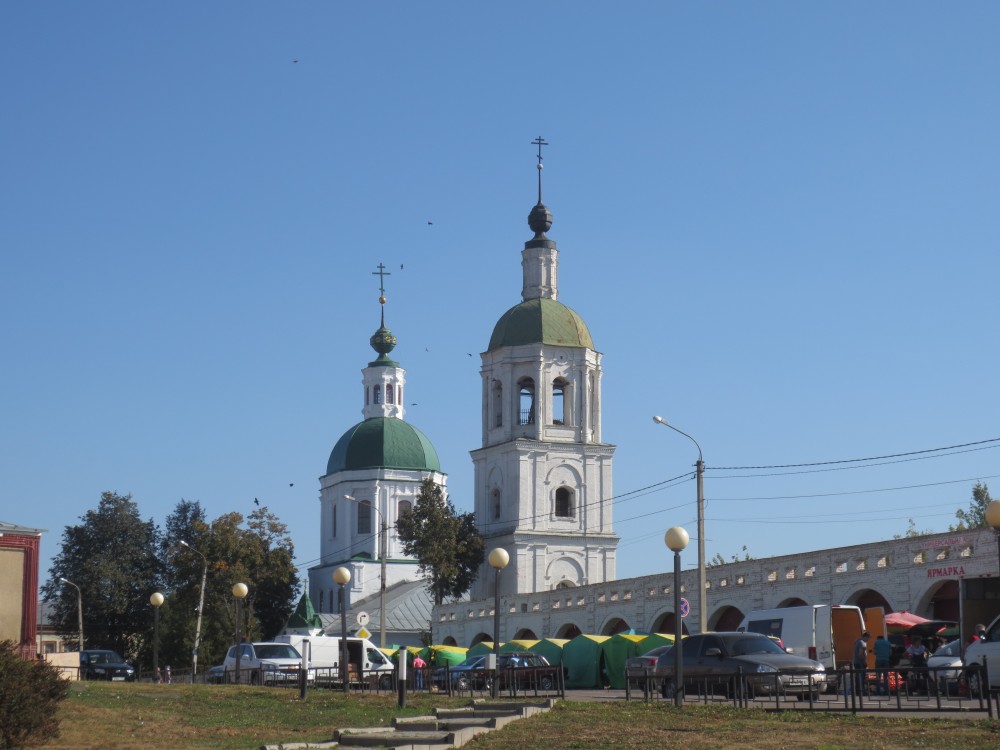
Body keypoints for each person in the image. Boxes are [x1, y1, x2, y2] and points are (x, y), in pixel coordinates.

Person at [853, 631, 871, 696]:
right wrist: (864, 662)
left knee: (858, 677)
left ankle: (858, 691)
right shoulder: (862, 643)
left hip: (856, 662)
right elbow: (860, 654)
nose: (868, 640)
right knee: (861, 677)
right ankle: (861, 691)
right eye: (868, 638)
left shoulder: (858, 642)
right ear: (865, 637)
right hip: (860, 663)